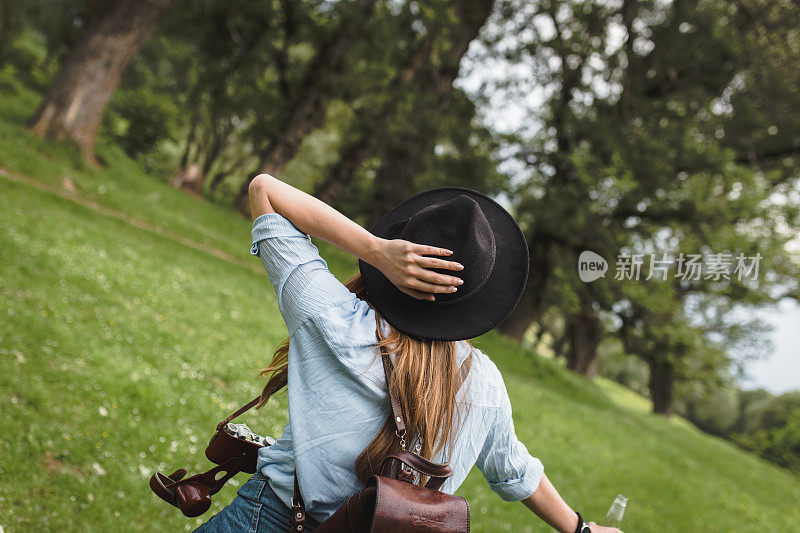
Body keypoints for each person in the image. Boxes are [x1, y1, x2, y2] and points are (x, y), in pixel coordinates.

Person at [195, 174, 622, 533]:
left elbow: (265, 189)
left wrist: (375, 250)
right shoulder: (485, 383)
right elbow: (515, 471)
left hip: (271, 520)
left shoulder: (335, 319)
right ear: (479, 297)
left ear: (403, 254)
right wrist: (582, 528)